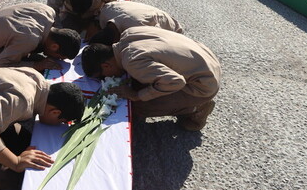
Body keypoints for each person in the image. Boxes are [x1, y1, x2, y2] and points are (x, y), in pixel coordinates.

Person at [81, 26, 221, 131]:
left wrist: (136, 95)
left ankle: (196, 108)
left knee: (137, 105)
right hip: (207, 59)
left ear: (106, 65)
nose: (106, 78)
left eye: (102, 76)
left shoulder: (131, 61)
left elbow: (176, 82)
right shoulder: (128, 34)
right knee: (139, 82)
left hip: (203, 84)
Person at [0, 3, 81, 72]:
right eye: (59, 57)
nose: (57, 59)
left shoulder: (49, 11)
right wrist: (38, 65)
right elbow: (0, 65)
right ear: (54, 46)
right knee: (36, 67)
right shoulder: (30, 39)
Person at [87, 1, 184, 45]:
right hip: (145, 15)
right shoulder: (105, 12)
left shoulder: (138, 32)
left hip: (173, 30)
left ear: (115, 42)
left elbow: (158, 44)